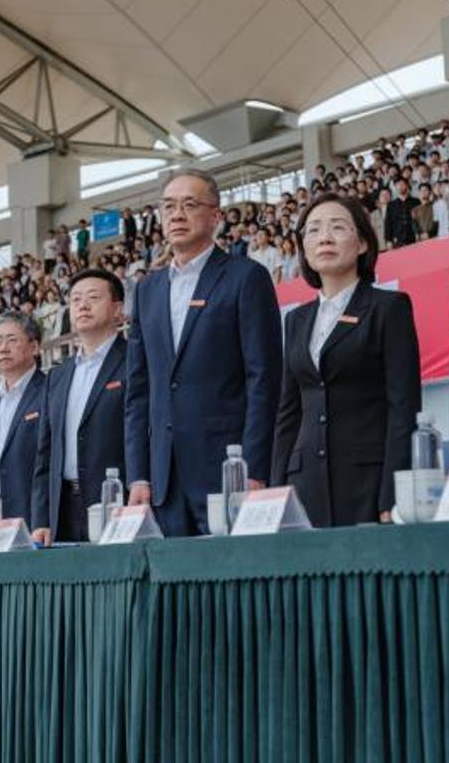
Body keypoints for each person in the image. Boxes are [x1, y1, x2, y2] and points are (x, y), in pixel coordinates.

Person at [125, 170, 282, 536]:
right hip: (163, 479)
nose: (177, 215)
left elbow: (263, 378)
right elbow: (138, 390)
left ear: (215, 216)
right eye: (168, 207)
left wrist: (254, 466)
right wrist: (139, 475)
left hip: (227, 471)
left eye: (189, 205)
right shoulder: (147, 289)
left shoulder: (246, 277)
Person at [271, 194, 420, 526]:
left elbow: (404, 406)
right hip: (303, 483)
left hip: (367, 482)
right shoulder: (296, 320)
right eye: (313, 230)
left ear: (363, 243)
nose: (324, 237)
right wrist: (276, 491)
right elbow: (288, 413)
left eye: (337, 227)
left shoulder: (389, 308)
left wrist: (392, 491)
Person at [32, 269, 128, 545]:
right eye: (75, 300)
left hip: (115, 501)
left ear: (117, 309)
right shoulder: (57, 375)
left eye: (93, 298)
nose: (83, 306)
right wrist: (41, 517)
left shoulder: (135, 360)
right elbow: (45, 451)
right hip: (63, 508)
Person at [0, 313, 47, 546]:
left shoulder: (50, 390)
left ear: (34, 346)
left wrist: (43, 518)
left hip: (33, 517)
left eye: (12, 340)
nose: (3, 348)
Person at [385, 179, 420, 247]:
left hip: (414, 236)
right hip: (397, 238)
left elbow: (420, 219)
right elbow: (388, 223)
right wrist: (388, 240)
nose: (400, 187)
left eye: (402, 184)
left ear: (407, 186)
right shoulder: (391, 205)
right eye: (398, 185)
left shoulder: (416, 202)